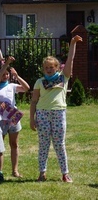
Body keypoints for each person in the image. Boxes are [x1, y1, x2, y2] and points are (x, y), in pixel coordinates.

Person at [30, 35, 82, 183]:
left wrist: (73, 43)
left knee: (60, 144)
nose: (49, 70)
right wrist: (31, 119)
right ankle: (42, 173)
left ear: (57, 68)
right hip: (42, 114)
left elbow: (70, 59)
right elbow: (34, 101)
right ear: (43, 69)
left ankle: (65, 173)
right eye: (46, 68)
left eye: (51, 67)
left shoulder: (63, 78)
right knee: (44, 145)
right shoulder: (39, 82)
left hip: (59, 113)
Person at [0, 57, 30, 178]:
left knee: (14, 144)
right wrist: (7, 63)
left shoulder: (12, 86)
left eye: (7, 74)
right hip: (0, 119)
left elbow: (27, 88)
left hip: (12, 118)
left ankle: (15, 170)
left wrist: (17, 76)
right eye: (3, 74)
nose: (5, 76)